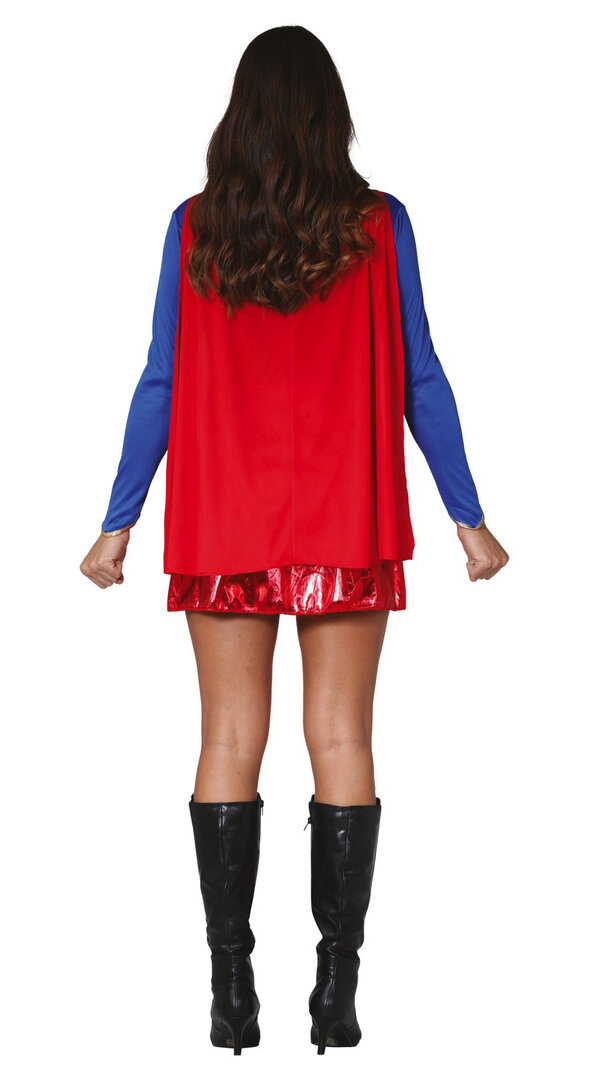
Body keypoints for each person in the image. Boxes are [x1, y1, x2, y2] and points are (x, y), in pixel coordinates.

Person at [79, 24, 509, 1056]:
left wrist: (116, 522)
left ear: (241, 116)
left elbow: (160, 381)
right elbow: (419, 375)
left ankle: (231, 996)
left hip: (221, 521)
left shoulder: (196, 229)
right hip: (344, 516)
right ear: (330, 115)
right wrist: (468, 517)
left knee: (227, 738)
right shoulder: (379, 226)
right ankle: (334, 996)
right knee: (343, 739)